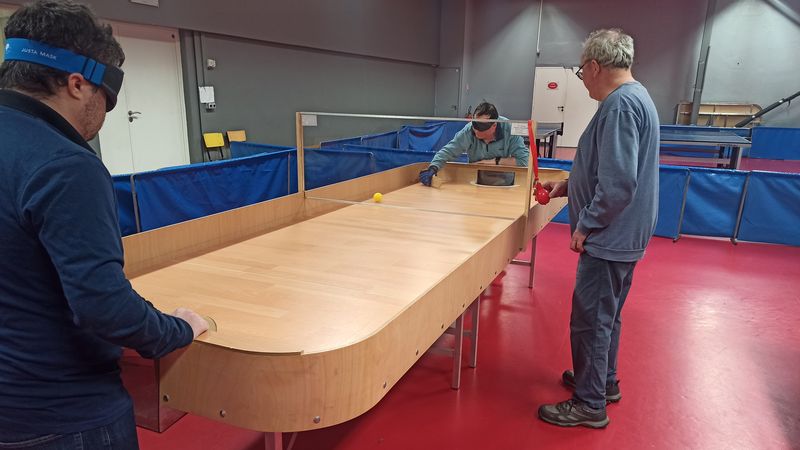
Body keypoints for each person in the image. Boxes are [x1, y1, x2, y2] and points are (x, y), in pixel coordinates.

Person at [0, 1, 208, 448]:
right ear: (77, 84)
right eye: (106, 99)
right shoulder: (64, 163)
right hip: (64, 413)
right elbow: (103, 307)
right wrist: (177, 329)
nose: (103, 116)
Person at [537, 28, 660, 428]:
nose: (582, 79)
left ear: (593, 66)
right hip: (626, 232)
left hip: (612, 235)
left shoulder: (620, 107)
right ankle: (602, 381)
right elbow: (602, 168)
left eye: (580, 72)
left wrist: (587, 224)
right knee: (608, 314)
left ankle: (590, 403)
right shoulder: (634, 98)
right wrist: (569, 187)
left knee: (590, 318)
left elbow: (619, 183)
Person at [418, 101, 529, 186]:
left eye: (481, 127)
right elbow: (449, 150)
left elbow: (524, 161)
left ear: (494, 125)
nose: (476, 130)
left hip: (506, 183)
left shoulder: (509, 129)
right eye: (475, 125)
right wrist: (433, 168)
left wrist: (493, 161)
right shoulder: (469, 130)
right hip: (476, 182)